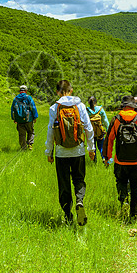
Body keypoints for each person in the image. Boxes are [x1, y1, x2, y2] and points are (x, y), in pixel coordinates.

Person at [44, 80, 96, 226]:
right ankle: (79, 201)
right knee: (79, 179)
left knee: (64, 184)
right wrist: (91, 149)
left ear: (57, 92)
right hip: (78, 151)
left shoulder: (54, 108)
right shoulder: (79, 106)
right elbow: (89, 128)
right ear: (71, 90)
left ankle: (68, 216)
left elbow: (50, 131)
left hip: (61, 153)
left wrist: (49, 151)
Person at [105, 95, 137, 222]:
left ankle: (123, 199)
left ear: (123, 106)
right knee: (136, 187)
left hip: (120, 161)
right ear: (134, 106)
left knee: (121, 182)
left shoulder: (116, 119)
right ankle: (134, 215)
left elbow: (109, 140)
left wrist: (107, 157)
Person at [11, 85, 38, 150]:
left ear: (19, 91)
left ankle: (23, 148)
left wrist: (14, 118)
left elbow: (13, 110)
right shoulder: (28, 98)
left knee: (21, 134)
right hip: (29, 119)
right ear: (26, 91)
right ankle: (30, 144)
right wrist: (35, 116)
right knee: (30, 132)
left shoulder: (15, 99)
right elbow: (33, 107)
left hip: (19, 120)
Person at [86, 96, 109, 164]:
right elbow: (105, 121)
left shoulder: (87, 110)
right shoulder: (100, 109)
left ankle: (94, 162)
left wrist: (85, 132)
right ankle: (104, 158)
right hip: (100, 132)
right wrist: (108, 130)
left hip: (91, 133)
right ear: (96, 102)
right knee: (101, 147)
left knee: (93, 148)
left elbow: (85, 122)